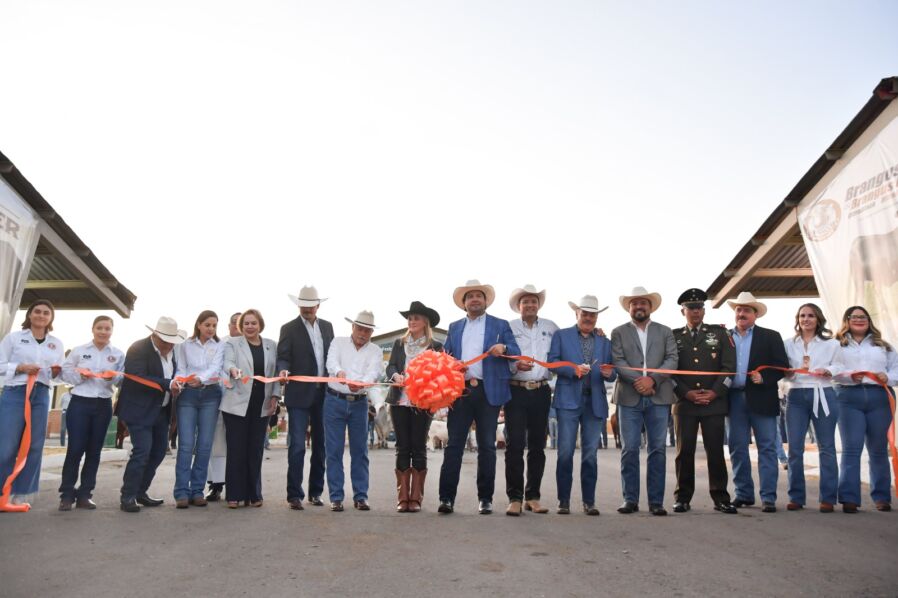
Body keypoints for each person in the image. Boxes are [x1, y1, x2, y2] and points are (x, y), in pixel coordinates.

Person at [438, 280, 520, 515]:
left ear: (485, 301)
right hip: (460, 392)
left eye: (479, 296)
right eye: (470, 296)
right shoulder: (454, 327)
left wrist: (504, 348)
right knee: (454, 446)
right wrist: (454, 366)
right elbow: (445, 358)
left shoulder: (500, 325)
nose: (475, 299)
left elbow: (515, 351)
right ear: (464, 303)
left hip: (488, 392)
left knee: (487, 447)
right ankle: (446, 498)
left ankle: (485, 498)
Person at [670, 288, 738, 514]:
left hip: (714, 403)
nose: (695, 311)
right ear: (683, 311)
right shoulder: (673, 336)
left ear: (704, 310)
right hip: (684, 403)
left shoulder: (720, 334)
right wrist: (685, 393)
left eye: (699, 307)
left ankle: (721, 497)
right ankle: (682, 497)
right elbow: (668, 370)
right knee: (684, 452)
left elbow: (729, 368)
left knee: (715, 451)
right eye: (690, 308)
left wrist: (715, 392)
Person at [611, 287, 678, 516]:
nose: (639, 307)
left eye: (643, 303)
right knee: (629, 449)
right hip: (629, 396)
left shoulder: (665, 331)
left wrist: (653, 380)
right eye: (635, 303)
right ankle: (629, 499)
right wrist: (640, 381)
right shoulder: (618, 332)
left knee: (657, 449)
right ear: (629, 308)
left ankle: (656, 501)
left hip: (659, 396)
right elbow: (618, 361)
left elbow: (672, 359)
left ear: (650, 307)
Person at [548, 294, 616, 515]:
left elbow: (612, 371)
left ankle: (589, 501)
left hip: (594, 402)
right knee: (565, 452)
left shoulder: (605, 341)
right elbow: (552, 363)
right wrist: (573, 369)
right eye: (584, 313)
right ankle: (563, 500)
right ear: (576, 313)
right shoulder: (561, 335)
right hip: (568, 400)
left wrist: (609, 373)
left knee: (590, 455)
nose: (588, 318)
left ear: (597, 317)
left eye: (592, 315)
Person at [726, 291, 789, 513]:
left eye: (746, 310)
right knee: (737, 448)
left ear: (755, 314)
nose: (741, 314)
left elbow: (781, 366)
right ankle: (743, 494)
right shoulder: (725, 337)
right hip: (734, 398)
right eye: (738, 310)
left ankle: (768, 497)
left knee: (767, 448)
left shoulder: (771, 336)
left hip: (762, 397)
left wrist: (765, 377)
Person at [833, 305, 897, 513]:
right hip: (848, 397)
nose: (859, 320)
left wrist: (888, 377)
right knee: (851, 448)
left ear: (869, 321)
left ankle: (882, 497)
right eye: (854, 317)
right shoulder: (836, 346)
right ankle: (849, 498)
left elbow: (896, 370)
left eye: (863, 317)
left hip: (880, 397)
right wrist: (848, 376)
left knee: (878, 449)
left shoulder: (884, 346)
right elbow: (831, 371)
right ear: (847, 320)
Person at [0, 299, 64, 506]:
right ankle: (2, 491)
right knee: (7, 446)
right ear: (29, 315)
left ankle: (23, 493)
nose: (41, 315)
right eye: (37, 311)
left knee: (34, 445)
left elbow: (59, 375)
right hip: (15, 393)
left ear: (51, 318)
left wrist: (56, 372)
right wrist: (20, 367)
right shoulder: (14, 338)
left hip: (41, 394)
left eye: (46, 313)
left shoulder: (56, 344)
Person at [118, 316, 185, 513]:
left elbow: (172, 376)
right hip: (139, 410)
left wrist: (177, 384)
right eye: (165, 341)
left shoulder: (173, 353)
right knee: (142, 451)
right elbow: (137, 376)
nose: (168, 346)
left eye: (172, 342)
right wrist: (168, 384)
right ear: (155, 335)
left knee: (158, 452)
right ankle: (128, 495)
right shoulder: (138, 348)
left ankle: (141, 492)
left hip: (161, 410)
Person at [57, 316, 124, 510]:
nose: (103, 332)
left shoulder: (118, 354)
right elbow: (64, 374)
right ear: (93, 329)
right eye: (99, 328)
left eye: (107, 328)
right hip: (80, 403)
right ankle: (66, 495)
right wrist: (79, 375)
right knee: (75, 449)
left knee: (94, 451)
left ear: (112, 331)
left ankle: (85, 494)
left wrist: (114, 378)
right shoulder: (79, 351)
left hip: (103, 404)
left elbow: (122, 380)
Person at [277, 286, 334, 510]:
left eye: (310, 305)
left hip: (324, 394)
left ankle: (315, 492)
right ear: (298, 305)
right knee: (297, 446)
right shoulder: (288, 328)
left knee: (321, 446)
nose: (307, 309)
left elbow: (331, 357)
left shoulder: (327, 327)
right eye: (303, 305)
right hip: (298, 394)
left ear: (317, 306)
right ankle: (294, 495)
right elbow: (283, 357)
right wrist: (283, 370)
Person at [783, 303, 843, 513]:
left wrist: (829, 370)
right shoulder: (788, 344)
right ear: (797, 319)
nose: (806, 319)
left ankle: (828, 498)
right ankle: (796, 496)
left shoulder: (832, 344)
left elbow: (841, 365)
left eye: (810, 315)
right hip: (796, 394)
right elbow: (783, 369)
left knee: (826, 447)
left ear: (818, 319)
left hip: (823, 393)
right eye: (802, 315)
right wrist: (787, 373)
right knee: (794, 448)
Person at [504, 284, 559, 516]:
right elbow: (500, 356)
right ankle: (515, 498)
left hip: (541, 391)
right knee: (514, 445)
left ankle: (533, 497)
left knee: (537, 446)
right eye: (525, 301)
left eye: (533, 301)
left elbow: (567, 346)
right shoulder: (508, 327)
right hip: (515, 391)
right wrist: (514, 366)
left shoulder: (551, 327)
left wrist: (596, 333)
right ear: (519, 306)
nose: (530, 305)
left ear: (538, 305)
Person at [386, 301, 442, 513]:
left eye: (416, 318)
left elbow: (439, 372)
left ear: (425, 322)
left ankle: (416, 498)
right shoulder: (399, 343)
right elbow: (391, 365)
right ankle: (403, 498)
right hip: (400, 400)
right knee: (402, 447)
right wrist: (395, 375)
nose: (412, 321)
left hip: (423, 402)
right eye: (410, 318)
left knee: (418, 447)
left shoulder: (435, 346)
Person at [324, 310, 383, 511]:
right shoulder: (338, 342)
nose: (363, 333)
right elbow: (331, 361)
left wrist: (362, 384)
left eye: (367, 330)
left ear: (372, 333)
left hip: (359, 403)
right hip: (334, 400)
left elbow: (374, 372)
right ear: (353, 327)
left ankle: (361, 496)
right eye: (360, 328)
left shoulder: (375, 350)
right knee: (334, 450)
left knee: (360, 450)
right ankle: (336, 497)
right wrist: (339, 372)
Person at [220, 309, 279, 508]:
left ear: (260, 324)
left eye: (254, 323)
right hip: (236, 404)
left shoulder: (271, 345)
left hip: (261, 404)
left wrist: (275, 396)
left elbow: (275, 373)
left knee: (255, 450)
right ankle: (234, 495)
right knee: (236, 450)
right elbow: (228, 362)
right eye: (246, 323)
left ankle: (254, 494)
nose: (250, 327)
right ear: (241, 326)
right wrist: (232, 370)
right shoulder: (232, 343)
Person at [173, 310, 224, 508]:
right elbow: (181, 368)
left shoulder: (220, 345)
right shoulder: (185, 345)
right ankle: (181, 492)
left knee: (204, 445)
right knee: (186, 444)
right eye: (207, 325)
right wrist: (180, 381)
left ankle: (197, 491)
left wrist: (200, 379)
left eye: (214, 325)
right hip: (187, 395)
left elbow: (216, 368)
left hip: (211, 395)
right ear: (199, 325)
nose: (211, 329)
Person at [206, 311, 242, 502]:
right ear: (228, 326)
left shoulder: (252, 345)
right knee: (217, 443)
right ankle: (216, 485)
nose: (237, 325)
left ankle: (240, 486)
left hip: (242, 401)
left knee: (239, 444)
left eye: (241, 322)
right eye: (234, 322)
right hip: (220, 399)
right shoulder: (220, 344)